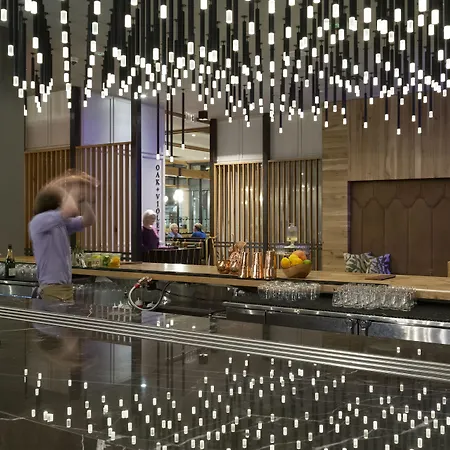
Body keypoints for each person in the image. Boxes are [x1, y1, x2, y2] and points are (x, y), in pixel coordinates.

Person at [29, 176, 96, 303]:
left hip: (63, 288)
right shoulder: (39, 221)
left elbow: (89, 220)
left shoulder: (59, 223)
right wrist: (75, 187)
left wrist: (82, 200)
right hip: (53, 288)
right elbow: (71, 209)